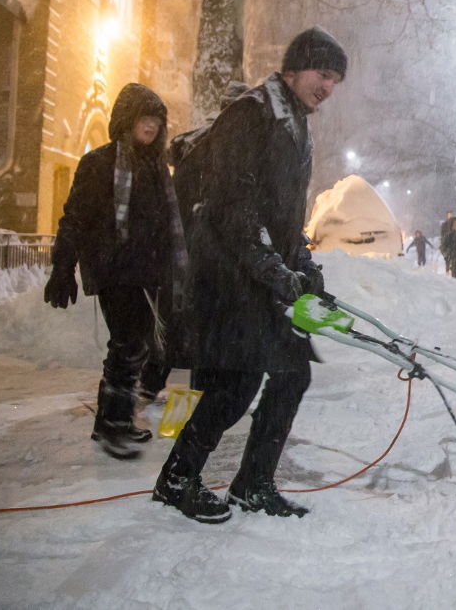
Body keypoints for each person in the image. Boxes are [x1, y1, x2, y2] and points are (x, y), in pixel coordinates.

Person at [152, 27, 346, 524]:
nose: (328, 87)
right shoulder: (252, 114)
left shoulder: (295, 124)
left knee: (291, 375)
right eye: (322, 74)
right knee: (233, 388)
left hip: (262, 276)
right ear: (293, 68)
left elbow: (283, 219)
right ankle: (178, 479)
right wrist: (270, 266)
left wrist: (302, 266)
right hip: (229, 275)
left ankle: (252, 484)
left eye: (335, 80)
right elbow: (232, 205)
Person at [44, 83, 185, 460]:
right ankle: (112, 428)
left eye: (157, 119)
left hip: (147, 271)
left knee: (135, 347)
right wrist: (63, 267)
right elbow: (74, 217)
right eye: (144, 117)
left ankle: (113, 420)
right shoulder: (100, 163)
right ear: (127, 120)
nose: (152, 125)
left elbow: (168, 224)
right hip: (114, 269)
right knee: (127, 344)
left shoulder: (157, 170)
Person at [136, 80, 250, 408]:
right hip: (208, 257)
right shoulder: (230, 149)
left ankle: (151, 387)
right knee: (198, 339)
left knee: (179, 330)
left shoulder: (197, 145)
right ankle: (185, 419)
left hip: (182, 252)